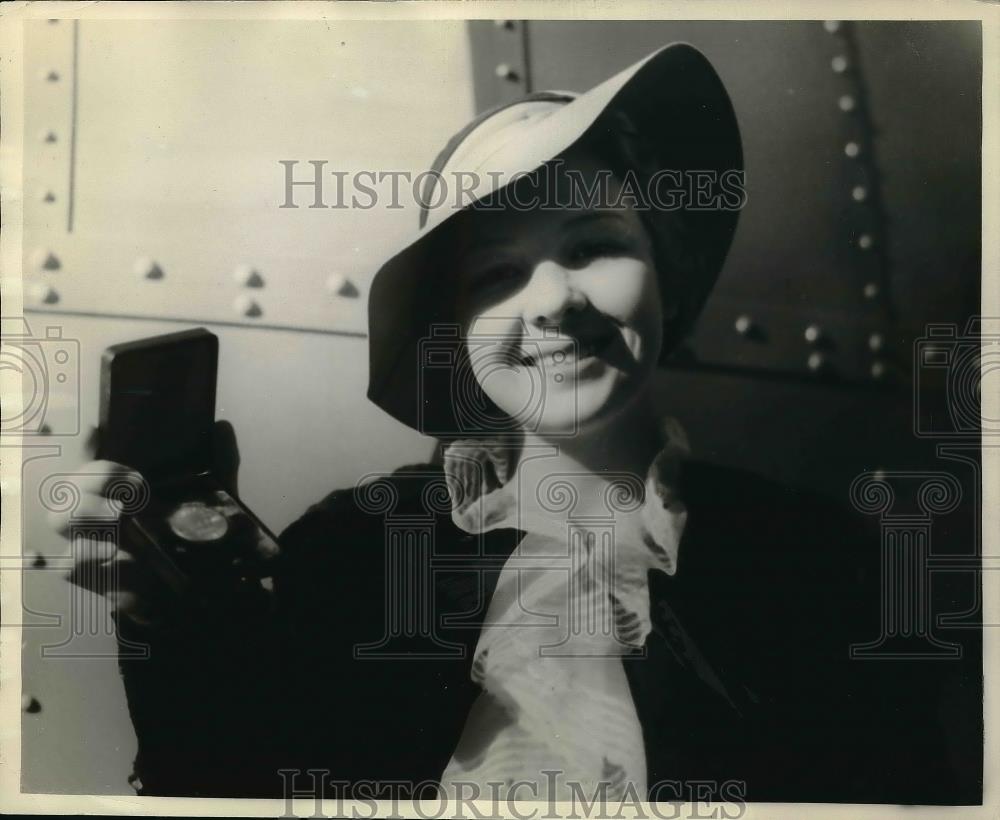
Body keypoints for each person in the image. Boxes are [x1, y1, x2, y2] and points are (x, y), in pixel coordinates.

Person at [48, 43, 965, 804]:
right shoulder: (355, 546)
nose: (555, 303)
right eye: (495, 276)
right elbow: (223, 782)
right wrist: (179, 635)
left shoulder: (820, 557)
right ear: (452, 329)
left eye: (592, 245)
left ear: (667, 269)